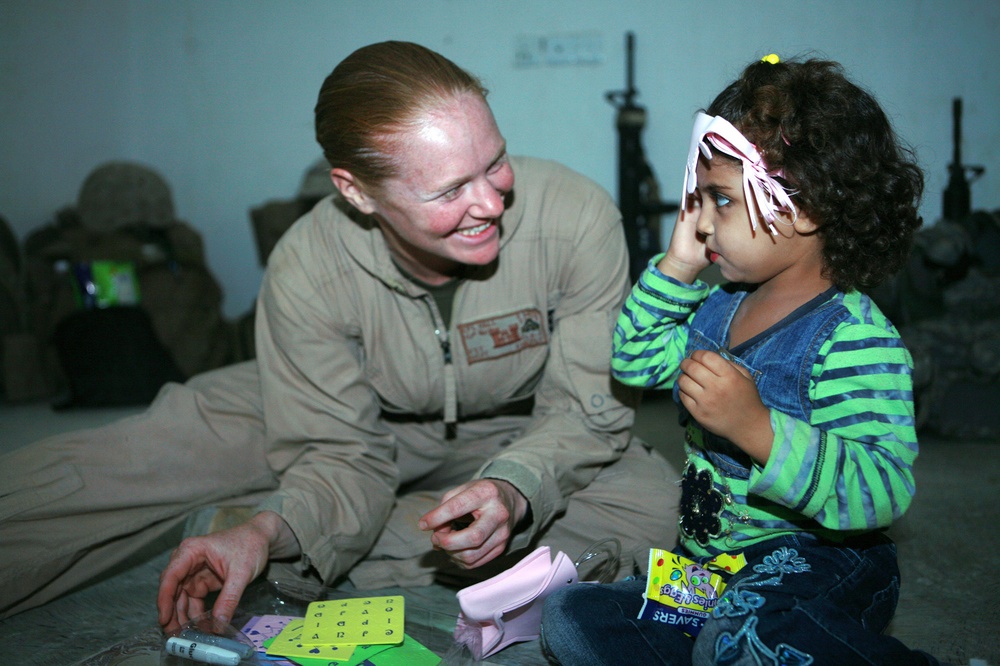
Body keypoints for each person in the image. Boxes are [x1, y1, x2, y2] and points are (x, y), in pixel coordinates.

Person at [0, 41, 680, 632]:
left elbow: (586, 416)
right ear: (357, 194)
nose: (493, 203)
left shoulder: (579, 217)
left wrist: (514, 488)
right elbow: (339, 453)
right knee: (145, 452)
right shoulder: (305, 265)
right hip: (346, 421)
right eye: (450, 191)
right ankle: (286, 534)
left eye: (495, 163)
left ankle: (280, 546)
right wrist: (280, 521)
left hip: (520, 425)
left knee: (664, 512)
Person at [540, 56, 940, 665]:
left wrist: (758, 429)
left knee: (749, 634)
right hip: (715, 572)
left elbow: (882, 490)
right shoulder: (716, 309)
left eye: (720, 201)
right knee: (572, 617)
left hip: (817, 562)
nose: (700, 221)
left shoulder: (854, 338)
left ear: (803, 209)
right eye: (697, 199)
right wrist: (676, 269)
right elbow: (635, 361)